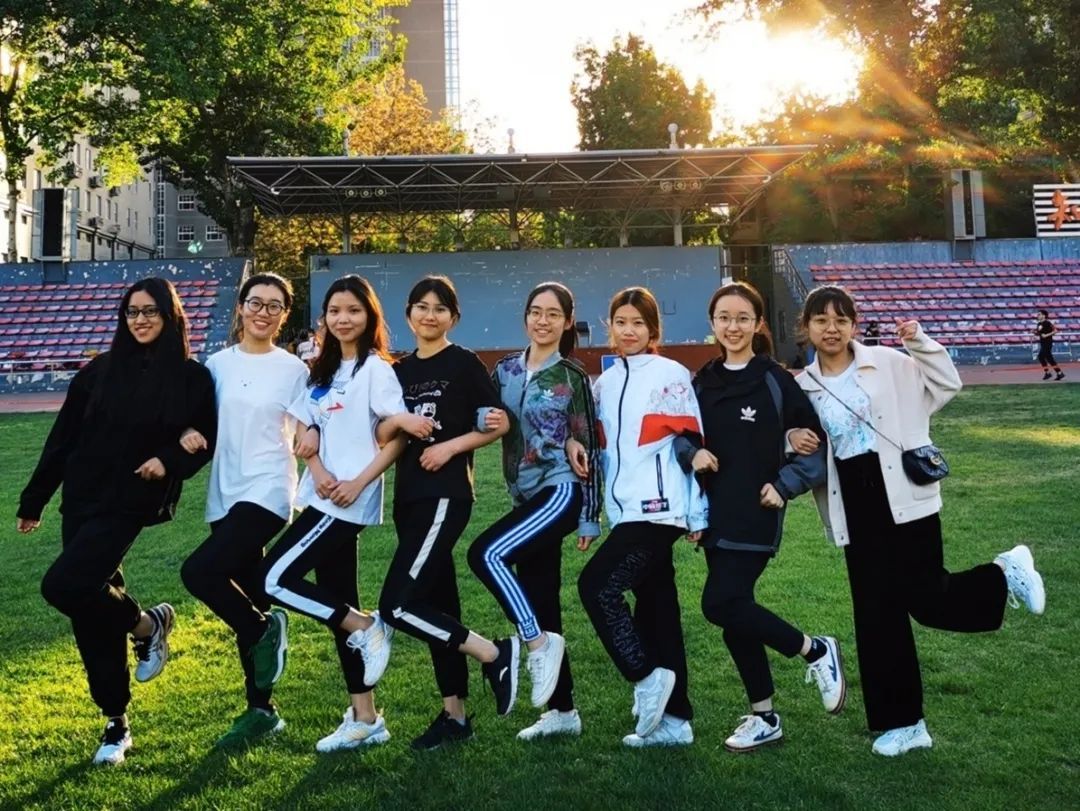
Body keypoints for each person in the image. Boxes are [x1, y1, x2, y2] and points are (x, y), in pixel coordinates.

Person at [796, 284, 1046, 757]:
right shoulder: (803, 385)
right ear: (806, 326)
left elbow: (947, 384)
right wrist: (792, 436)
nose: (831, 329)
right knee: (876, 615)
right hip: (853, 501)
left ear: (854, 325)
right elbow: (795, 438)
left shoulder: (886, 362)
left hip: (904, 493)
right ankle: (904, 724)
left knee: (927, 598)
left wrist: (920, 342)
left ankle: (1004, 573)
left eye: (841, 319)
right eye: (821, 320)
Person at [16, 277, 217, 766]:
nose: (140, 320)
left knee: (64, 585)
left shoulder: (190, 377)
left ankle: (146, 625)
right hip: (82, 498)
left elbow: (203, 437)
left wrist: (169, 458)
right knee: (89, 606)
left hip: (131, 500)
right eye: (132, 312)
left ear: (170, 316)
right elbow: (62, 439)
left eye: (150, 311)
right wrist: (35, 499)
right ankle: (116, 720)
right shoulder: (97, 372)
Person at [685, 281, 845, 754]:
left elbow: (814, 445)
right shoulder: (703, 380)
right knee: (736, 614)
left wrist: (785, 484)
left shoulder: (776, 380)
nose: (732, 327)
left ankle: (814, 649)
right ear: (712, 323)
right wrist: (692, 454)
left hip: (756, 510)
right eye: (724, 318)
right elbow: (683, 435)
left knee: (719, 603)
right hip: (714, 514)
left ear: (757, 324)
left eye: (742, 318)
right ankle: (764, 716)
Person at [260, 274, 407, 753]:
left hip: (345, 502)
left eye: (354, 311)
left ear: (370, 316)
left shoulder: (377, 371)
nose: (343, 319)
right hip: (321, 493)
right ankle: (366, 718)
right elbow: (307, 430)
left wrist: (357, 484)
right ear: (324, 317)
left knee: (272, 578)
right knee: (337, 604)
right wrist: (318, 468)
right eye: (335, 311)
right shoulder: (322, 370)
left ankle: (367, 625)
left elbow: (396, 439)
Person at [375, 275, 520, 750]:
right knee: (438, 605)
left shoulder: (464, 363)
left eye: (440, 308)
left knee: (397, 604)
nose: (430, 315)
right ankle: (454, 716)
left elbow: (497, 422)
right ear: (408, 315)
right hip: (408, 498)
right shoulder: (398, 371)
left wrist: (450, 448)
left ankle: (494, 653)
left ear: (453, 318)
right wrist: (398, 422)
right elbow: (384, 434)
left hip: (446, 494)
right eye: (421, 306)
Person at [177, 272, 309, 749]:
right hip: (224, 490)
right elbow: (195, 419)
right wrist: (187, 433)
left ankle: (263, 629)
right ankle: (262, 709)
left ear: (284, 315)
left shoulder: (294, 369)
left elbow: (309, 425)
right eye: (256, 302)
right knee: (249, 591)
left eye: (274, 306)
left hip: (269, 488)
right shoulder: (217, 365)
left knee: (199, 572)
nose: (263, 312)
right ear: (240, 307)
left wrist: (314, 443)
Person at [467, 281, 601, 741]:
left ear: (567, 322)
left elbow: (587, 443)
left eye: (553, 314)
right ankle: (563, 711)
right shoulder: (505, 370)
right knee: (541, 596)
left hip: (559, 491)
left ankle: (534, 641)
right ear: (525, 317)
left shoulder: (572, 376)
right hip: (523, 497)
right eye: (535, 312)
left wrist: (589, 514)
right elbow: (482, 414)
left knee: (485, 554)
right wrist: (484, 419)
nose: (543, 321)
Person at [575, 287, 707, 748]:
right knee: (657, 608)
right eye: (621, 322)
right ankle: (676, 721)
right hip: (624, 512)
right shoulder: (605, 383)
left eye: (638, 323)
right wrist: (592, 515)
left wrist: (698, 512)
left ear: (653, 329)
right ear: (610, 326)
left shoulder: (670, 374)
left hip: (659, 510)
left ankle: (646, 677)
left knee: (597, 587)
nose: (628, 331)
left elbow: (691, 442)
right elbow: (598, 453)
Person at [1034, 310, 1064, 381]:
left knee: (1041, 356)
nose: (1038, 316)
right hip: (1042, 343)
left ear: (1044, 315)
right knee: (1049, 359)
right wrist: (1035, 333)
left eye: (1039, 314)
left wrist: (1046, 335)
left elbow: (1055, 331)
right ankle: (1059, 373)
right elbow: (1040, 333)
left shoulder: (1048, 323)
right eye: (1038, 314)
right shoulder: (1039, 324)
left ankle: (1048, 372)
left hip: (1048, 343)